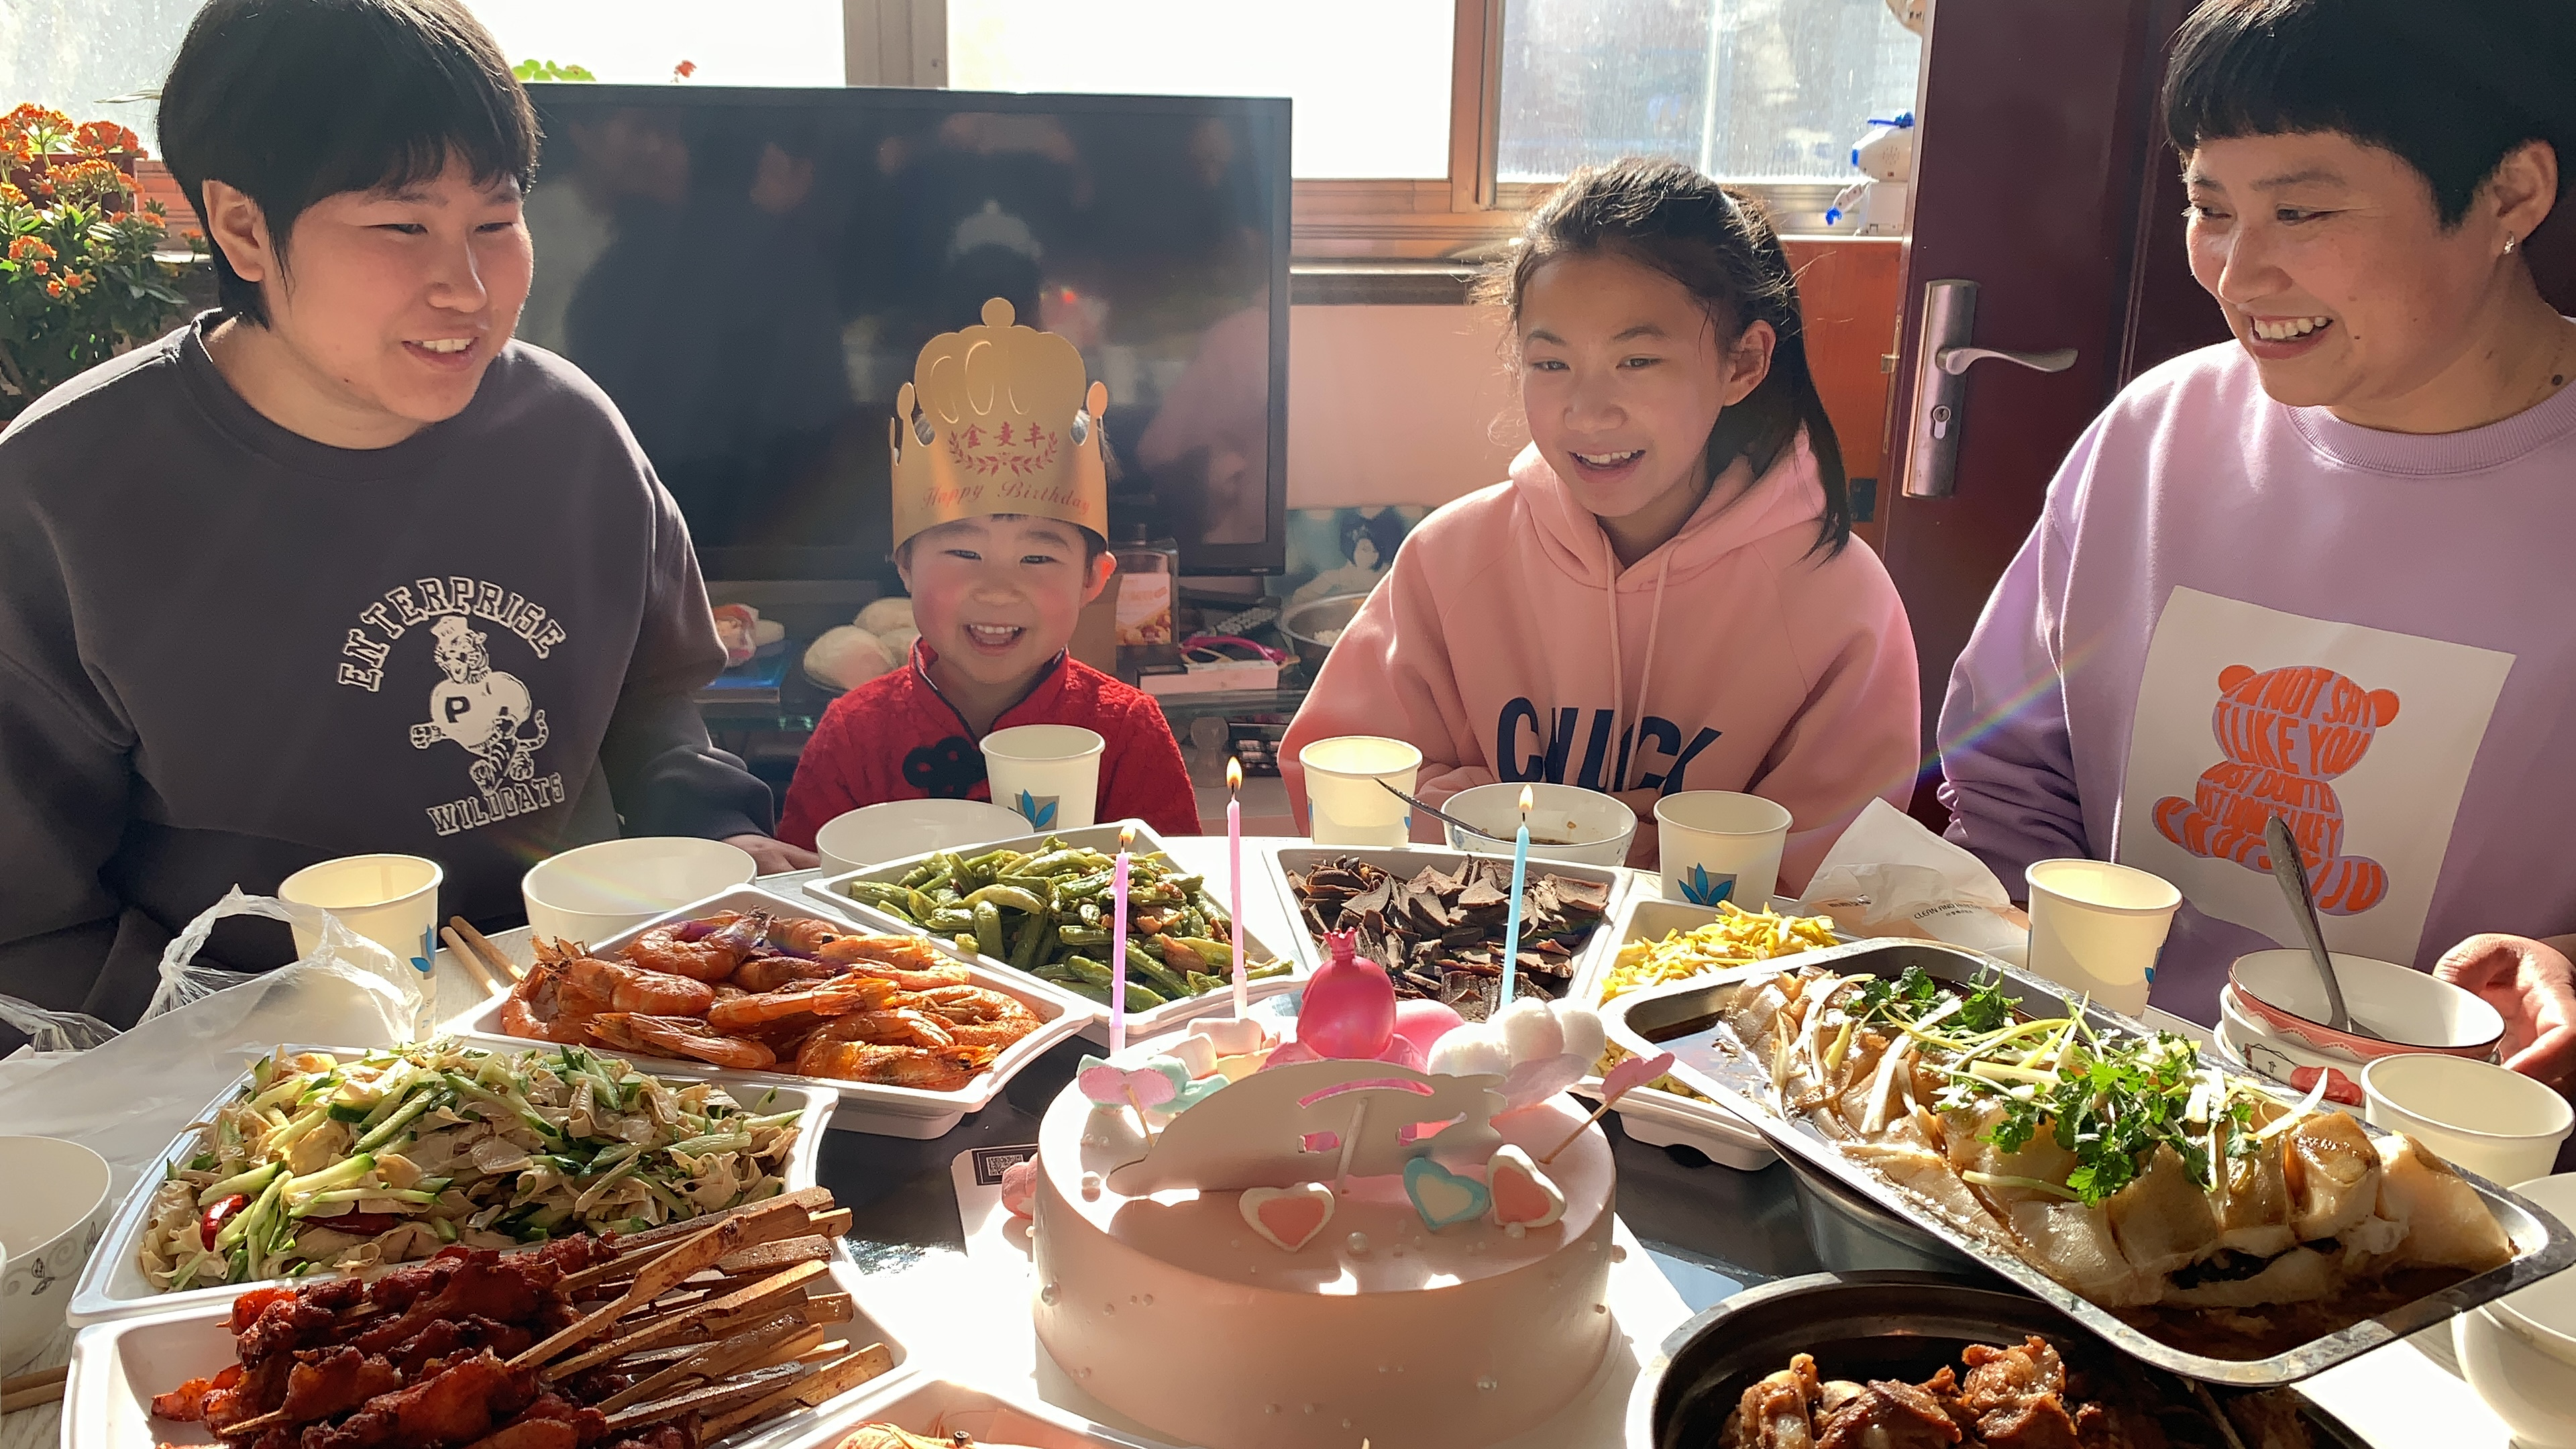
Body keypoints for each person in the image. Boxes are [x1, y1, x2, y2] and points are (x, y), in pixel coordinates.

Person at [0, 0, 810, 1040]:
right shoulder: (59, 498)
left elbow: (652, 701)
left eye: (494, 222)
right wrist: (241, 1072)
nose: (466, 289)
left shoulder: (569, 435)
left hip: (568, 1028)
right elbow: (27, 926)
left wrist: (713, 831)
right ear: (243, 226)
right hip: (234, 1083)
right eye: (402, 227)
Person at [1939, 0, 2576, 1093]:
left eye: (2305, 212)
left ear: (2510, 194)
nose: (2238, 275)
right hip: (2093, 1099)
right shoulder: (2157, 435)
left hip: (2448, 1178)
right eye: (2209, 206)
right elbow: (2007, 778)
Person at [1280, 158, 1921, 886]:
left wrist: (1500, 822)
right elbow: (1342, 792)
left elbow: (1829, 883)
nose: (1586, 411)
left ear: (1743, 363)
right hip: (1464, 974)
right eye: (1550, 365)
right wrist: (1652, 842)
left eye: (1638, 359)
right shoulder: (1450, 560)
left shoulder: (1837, 602)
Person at [775, 300, 1200, 847]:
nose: (999, 589)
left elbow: (1173, 906)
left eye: (1037, 558)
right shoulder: (853, 733)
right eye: (965, 554)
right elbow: (802, 909)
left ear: (1094, 578)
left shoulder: (1126, 731)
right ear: (904, 563)